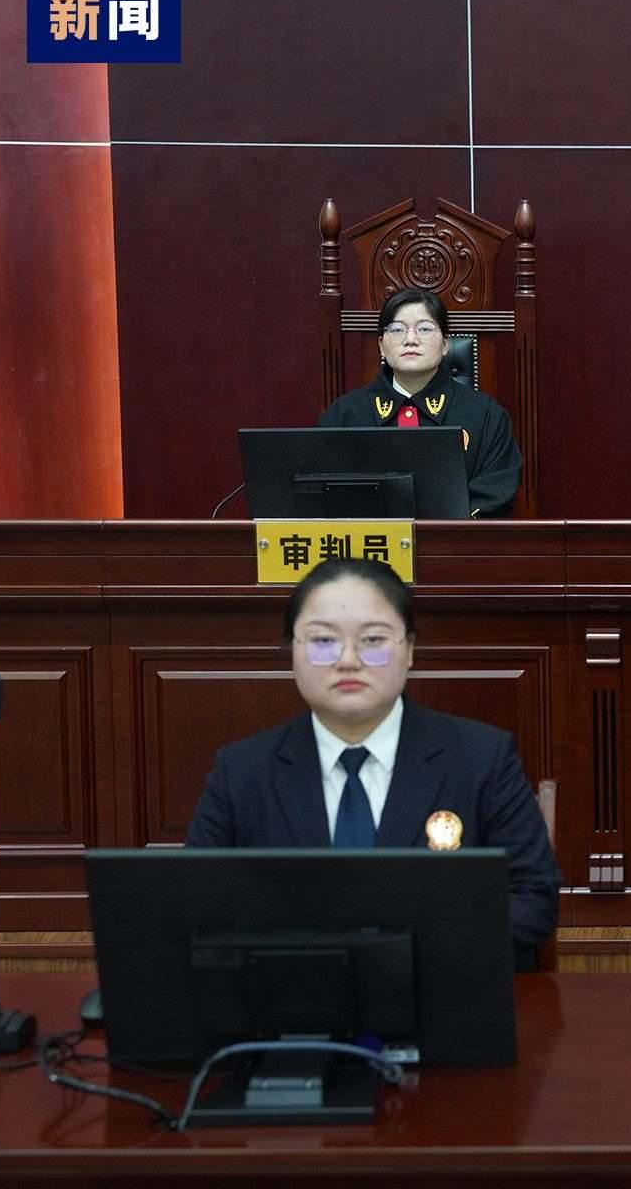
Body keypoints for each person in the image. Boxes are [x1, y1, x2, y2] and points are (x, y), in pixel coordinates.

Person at [184, 557, 561, 970]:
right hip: (289, 999)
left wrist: (406, 959)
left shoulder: (482, 759)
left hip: (437, 996)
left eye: (373, 640)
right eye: (323, 641)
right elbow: (194, 906)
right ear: (292, 651)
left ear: (409, 650)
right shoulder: (241, 772)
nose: (348, 660)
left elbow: (533, 899)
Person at [319, 287, 521, 516]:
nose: (411, 340)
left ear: (445, 344)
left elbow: (495, 493)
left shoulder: (486, 416)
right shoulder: (343, 415)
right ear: (381, 346)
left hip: (455, 539)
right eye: (397, 330)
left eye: (424, 329)